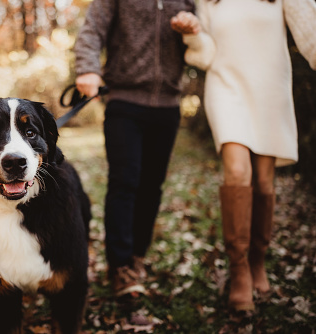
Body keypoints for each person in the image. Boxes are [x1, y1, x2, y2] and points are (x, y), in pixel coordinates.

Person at [171, 0, 316, 311]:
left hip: (270, 91)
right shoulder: (210, 1)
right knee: (237, 173)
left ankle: (257, 262)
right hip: (227, 89)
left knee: (264, 182)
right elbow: (206, 53)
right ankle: (239, 271)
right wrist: (192, 33)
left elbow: (310, 35)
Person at [73, 0, 196, 297]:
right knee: (125, 182)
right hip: (124, 102)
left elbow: (203, 44)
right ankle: (120, 265)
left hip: (168, 105)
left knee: (152, 186)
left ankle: (137, 256)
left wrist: (193, 30)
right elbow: (92, 29)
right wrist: (88, 68)